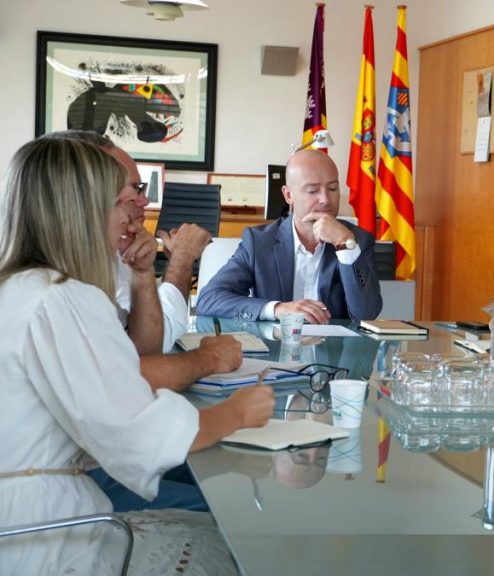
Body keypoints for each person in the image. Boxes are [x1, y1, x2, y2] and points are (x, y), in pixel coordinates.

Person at [0, 136, 275, 573]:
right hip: (41, 536)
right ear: (82, 211)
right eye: (118, 203)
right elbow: (138, 436)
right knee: (236, 548)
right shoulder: (61, 299)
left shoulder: (23, 286)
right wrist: (237, 412)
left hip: (29, 517)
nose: (130, 215)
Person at [43, 130, 241, 393]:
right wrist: (181, 259)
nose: (145, 200)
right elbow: (120, 379)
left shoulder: (114, 252)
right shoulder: (53, 287)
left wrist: (144, 272)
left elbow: (146, 350)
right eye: (132, 190)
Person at [197, 150, 383, 324]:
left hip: (333, 353)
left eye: (333, 189)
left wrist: (345, 247)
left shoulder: (356, 240)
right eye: (313, 191)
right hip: (275, 351)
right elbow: (209, 299)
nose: (326, 199)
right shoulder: (259, 242)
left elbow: (367, 313)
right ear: (288, 195)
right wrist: (277, 309)